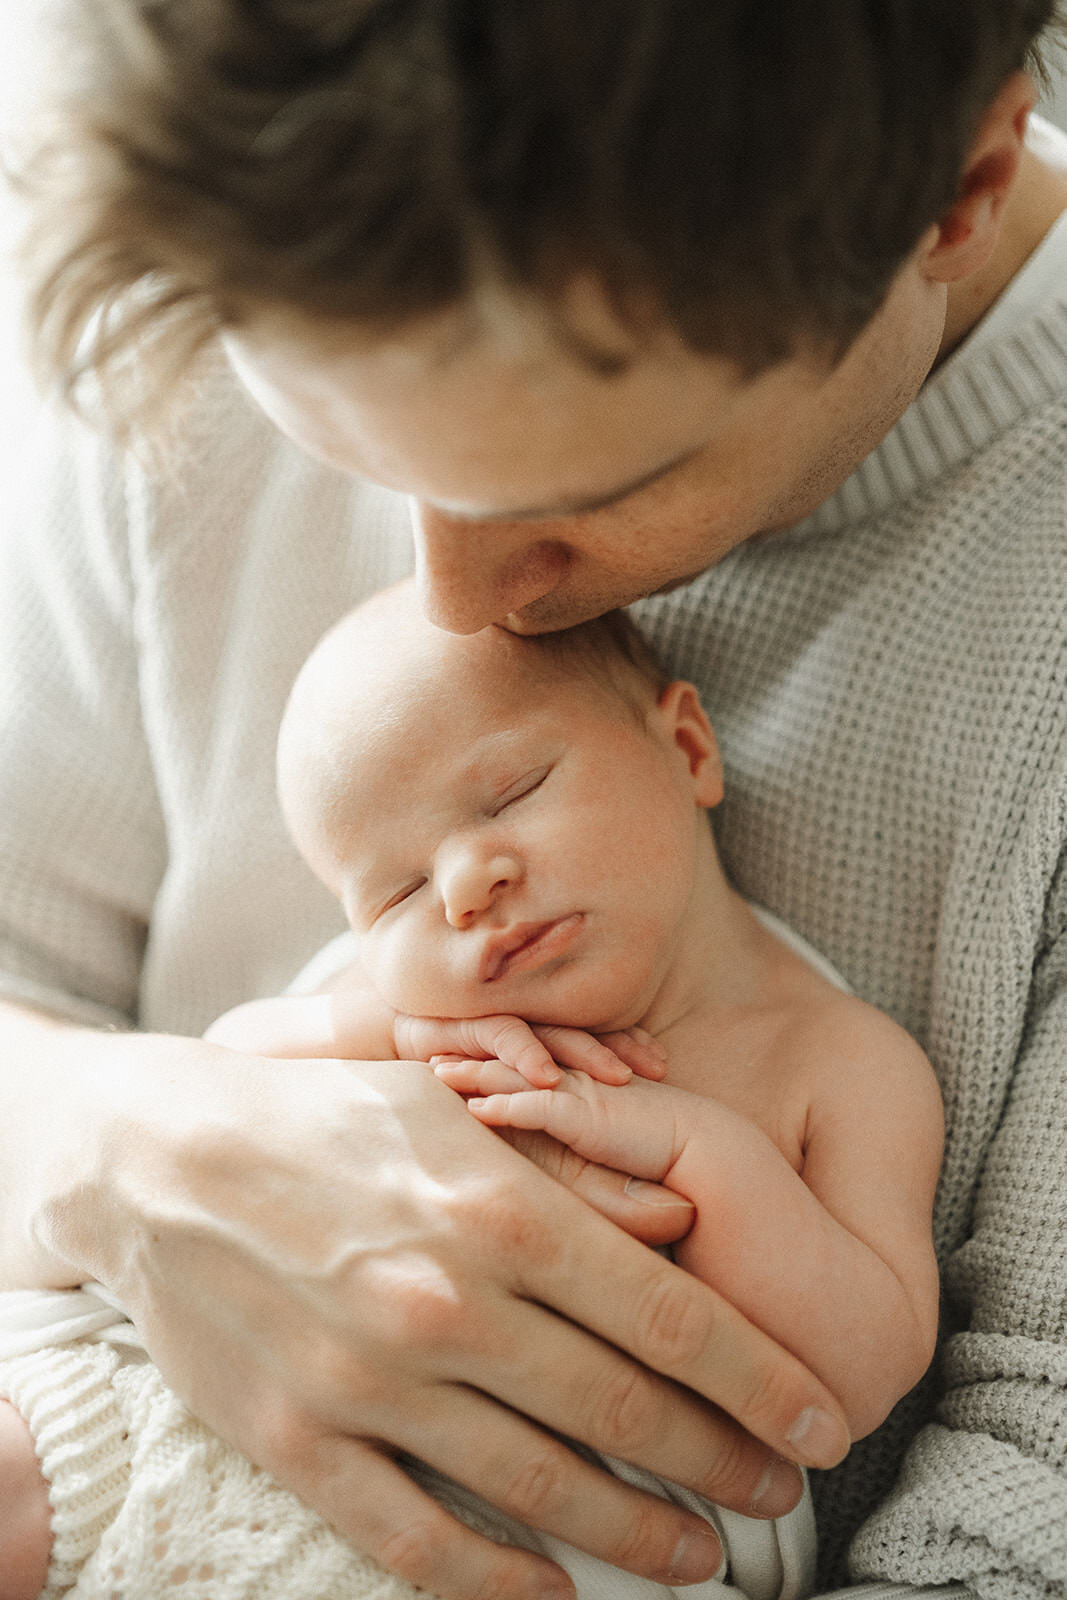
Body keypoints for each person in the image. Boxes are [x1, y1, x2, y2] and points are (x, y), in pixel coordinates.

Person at [0, 2, 1065, 1597]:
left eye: (587, 487)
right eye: (339, 436)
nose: (448, 595)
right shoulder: (230, 239)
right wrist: (110, 1146)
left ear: (952, 193)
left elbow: (1023, 1501)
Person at [0, 586, 941, 1600]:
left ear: (685, 749)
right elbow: (214, 1089)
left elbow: (857, 1378)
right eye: (396, 893)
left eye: (510, 793)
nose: (459, 887)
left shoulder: (831, 1059)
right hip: (152, 1405)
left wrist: (695, 1152)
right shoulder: (403, 1007)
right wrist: (383, 1033)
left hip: (538, 1549)